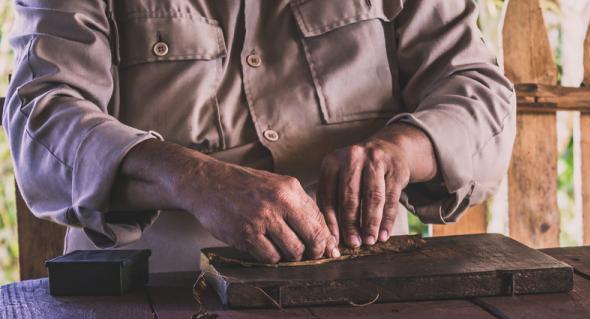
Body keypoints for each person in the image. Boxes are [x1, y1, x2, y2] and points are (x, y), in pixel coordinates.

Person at [3, 0, 516, 272]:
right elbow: (42, 114)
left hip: (362, 292)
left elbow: (476, 89)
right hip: (151, 293)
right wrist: (191, 178)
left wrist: (403, 149)